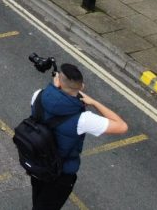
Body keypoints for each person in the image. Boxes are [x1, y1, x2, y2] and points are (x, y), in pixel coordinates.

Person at [28, 64, 127, 209]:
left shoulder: (38, 95)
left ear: (58, 81)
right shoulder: (83, 119)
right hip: (60, 173)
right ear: (82, 87)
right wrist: (94, 102)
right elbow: (122, 126)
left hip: (37, 162)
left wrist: (56, 87)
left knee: (38, 199)